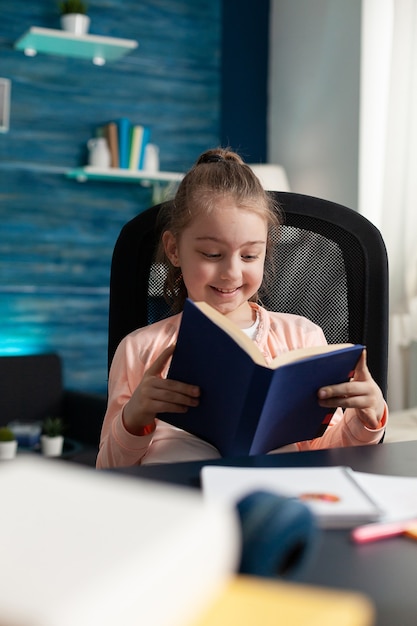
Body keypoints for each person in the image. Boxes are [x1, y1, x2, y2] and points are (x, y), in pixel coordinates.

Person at [96, 148, 388, 469]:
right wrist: (133, 419)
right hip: (183, 504)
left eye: (249, 256)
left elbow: (324, 453)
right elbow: (108, 470)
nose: (232, 273)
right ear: (174, 250)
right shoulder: (140, 348)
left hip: (274, 498)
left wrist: (367, 418)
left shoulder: (302, 337)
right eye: (211, 254)